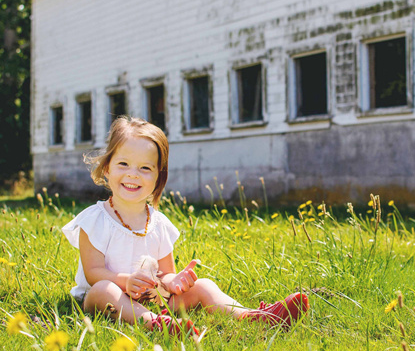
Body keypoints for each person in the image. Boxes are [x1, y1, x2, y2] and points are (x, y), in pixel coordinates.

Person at [62, 116, 308, 337]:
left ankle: (252, 316)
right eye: (123, 164)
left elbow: (165, 274)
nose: (133, 174)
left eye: (145, 168)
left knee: (204, 285)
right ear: (107, 168)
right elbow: (94, 273)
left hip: (152, 298)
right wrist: (126, 281)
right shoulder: (95, 220)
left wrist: (174, 281)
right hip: (105, 299)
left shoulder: (158, 224)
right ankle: (155, 323)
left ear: (159, 176)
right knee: (104, 290)